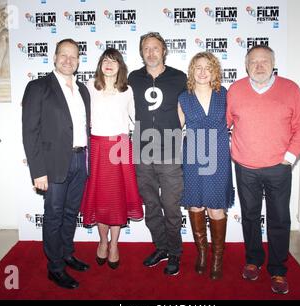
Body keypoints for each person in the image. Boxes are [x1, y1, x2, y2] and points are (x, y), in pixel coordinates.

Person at [227, 45, 300, 294]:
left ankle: (277, 269)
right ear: (246, 65)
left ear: (273, 63)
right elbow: (223, 123)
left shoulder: (290, 89)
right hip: (245, 168)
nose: (259, 66)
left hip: (278, 168)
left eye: (265, 61)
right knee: (250, 217)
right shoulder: (236, 90)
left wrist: (288, 157)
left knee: (279, 219)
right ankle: (253, 261)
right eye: (254, 61)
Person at [22, 38, 91, 289]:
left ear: (78, 61)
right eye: (63, 55)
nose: (68, 60)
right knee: (54, 215)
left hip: (80, 161)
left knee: (71, 213)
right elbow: (30, 131)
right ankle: (55, 267)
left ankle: (67, 253)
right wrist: (38, 171)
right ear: (54, 57)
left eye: (73, 56)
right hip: (52, 165)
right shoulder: (38, 87)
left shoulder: (83, 89)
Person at [128, 32, 187, 275]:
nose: (151, 52)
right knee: (151, 204)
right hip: (142, 152)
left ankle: (175, 252)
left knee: (171, 206)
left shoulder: (178, 77)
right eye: (146, 48)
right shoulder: (133, 77)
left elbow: (184, 109)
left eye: (155, 48)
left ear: (164, 51)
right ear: (141, 52)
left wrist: (175, 129)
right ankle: (161, 247)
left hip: (170, 152)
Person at [80, 48, 143, 269]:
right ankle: (102, 241)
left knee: (116, 198)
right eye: (105, 60)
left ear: (120, 66)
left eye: (114, 61)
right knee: (100, 197)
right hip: (97, 146)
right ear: (99, 65)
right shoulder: (89, 86)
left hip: (120, 146)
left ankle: (114, 244)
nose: (109, 63)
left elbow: (137, 119)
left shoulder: (127, 91)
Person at [178, 52, 234, 280]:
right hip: (192, 158)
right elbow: (176, 127)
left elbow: (235, 121)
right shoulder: (183, 97)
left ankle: (217, 258)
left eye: (207, 67)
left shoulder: (225, 95)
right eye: (198, 67)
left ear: (214, 71)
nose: (202, 72)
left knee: (216, 208)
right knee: (195, 206)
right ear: (192, 71)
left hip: (219, 157)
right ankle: (202, 254)